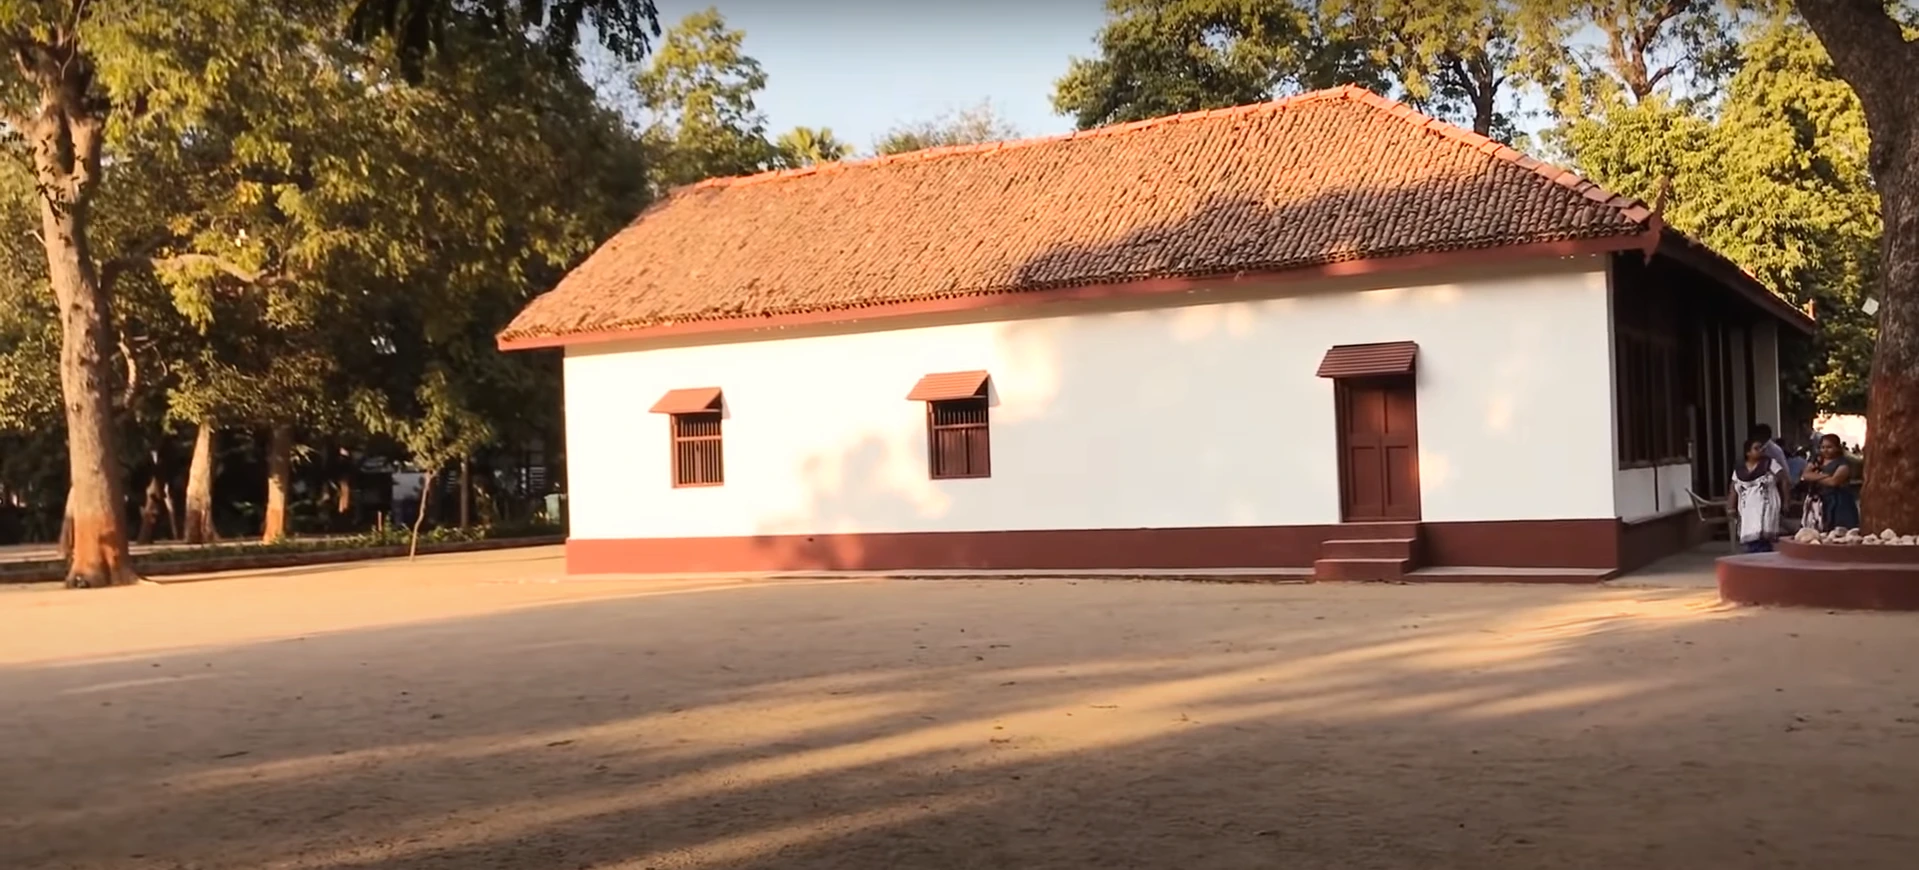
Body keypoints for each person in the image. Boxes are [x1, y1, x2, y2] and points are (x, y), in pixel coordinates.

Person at [1728, 437, 1789, 552]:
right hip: (1748, 508)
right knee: (1752, 536)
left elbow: (1784, 480)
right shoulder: (1739, 470)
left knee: (1763, 537)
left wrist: (1786, 501)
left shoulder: (1770, 464)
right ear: (1748, 453)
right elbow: (1733, 488)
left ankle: (1763, 561)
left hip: (1767, 505)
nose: (1761, 450)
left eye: (1761, 448)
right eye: (1756, 448)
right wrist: (1731, 507)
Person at [1801, 433, 1860, 532]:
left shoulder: (1843, 464)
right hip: (1819, 501)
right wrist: (1825, 476)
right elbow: (1805, 475)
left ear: (1837, 448)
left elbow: (1834, 482)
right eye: (1822, 447)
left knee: (1839, 530)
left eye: (1829, 447)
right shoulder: (1817, 460)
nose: (1825, 450)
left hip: (1839, 503)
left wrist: (1815, 476)